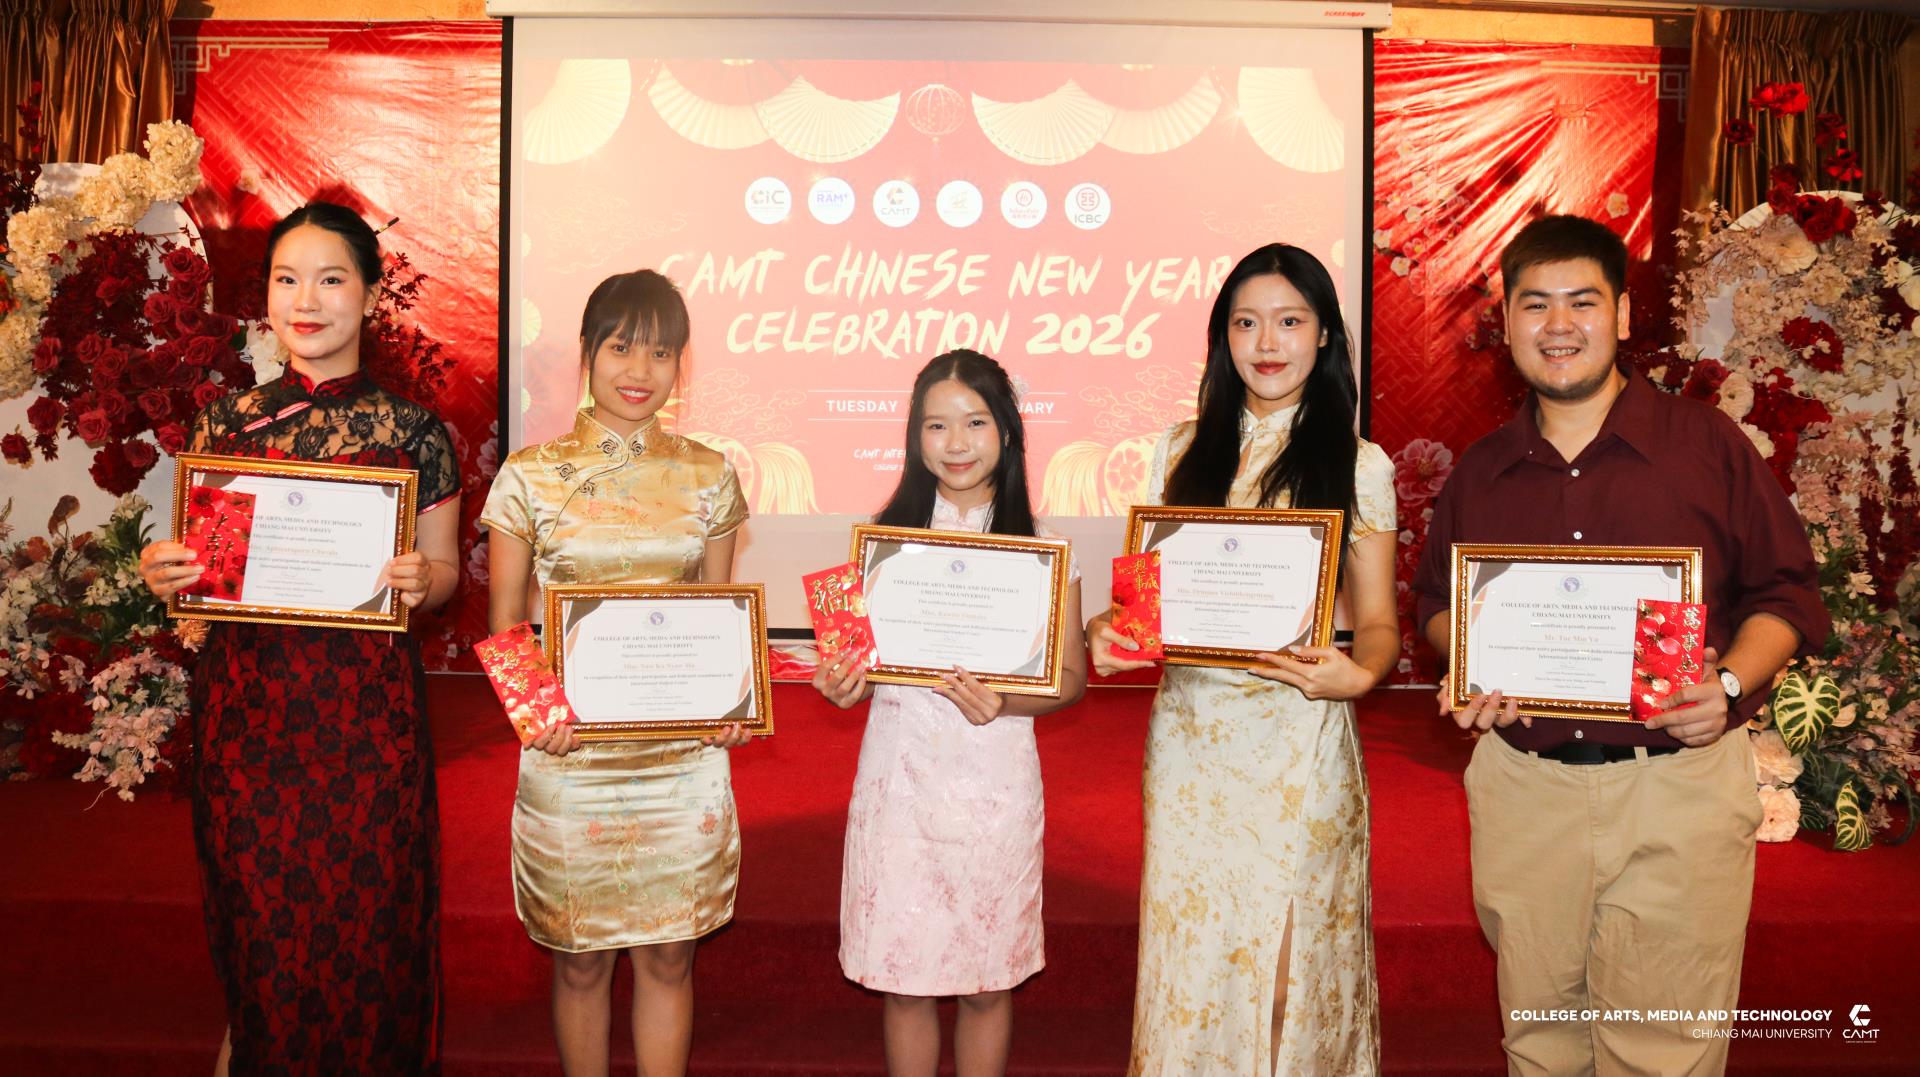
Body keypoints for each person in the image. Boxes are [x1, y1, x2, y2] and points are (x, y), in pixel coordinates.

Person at [1412, 214, 1829, 1075]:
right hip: (1525, 793)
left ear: (1624, 315)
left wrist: (1727, 684)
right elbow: (1434, 604)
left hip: (1675, 786)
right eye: (1535, 304)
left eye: (1582, 301)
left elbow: (1786, 591)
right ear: (1508, 320)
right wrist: (1471, 662)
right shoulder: (1481, 469)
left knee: (1664, 1052)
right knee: (1540, 1043)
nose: (1558, 325)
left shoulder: (1705, 444)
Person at [138, 201, 462, 1075]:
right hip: (250, 724)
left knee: (371, 935)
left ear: (370, 295)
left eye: (330, 279)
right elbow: (205, 576)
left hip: (368, 727)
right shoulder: (225, 424)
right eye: (288, 279)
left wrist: (424, 579)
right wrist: (167, 571)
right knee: (262, 940)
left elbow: (445, 575)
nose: (306, 301)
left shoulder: (414, 432)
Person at [1084, 243, 1396, 1074]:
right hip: (1193, 748)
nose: (1267, 342)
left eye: (1290, 321)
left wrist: (1361, 672)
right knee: (1195, 968)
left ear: (1324, 334)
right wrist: (1104, 632)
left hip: (1301, 741)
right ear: (1222, 337)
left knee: (1294, 982)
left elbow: (1379, 626)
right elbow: (1139, 608)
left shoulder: (1360, 464)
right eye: (1246, 322)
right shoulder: (1176, 451)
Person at [479, 269, 750, 1077]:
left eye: (661, 353)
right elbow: (505, 619)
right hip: (571, 759)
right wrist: (537, 713)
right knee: (581, 960)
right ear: (589, 353)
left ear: (680, 365)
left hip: (681, 764)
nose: (640, 370)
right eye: (623, 347)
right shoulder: (530, 474)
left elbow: (718, 611)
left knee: (670, 956)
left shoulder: (710, 473)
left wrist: (731, 703)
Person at [812, 349, 1088, 1077]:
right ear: (915, 436)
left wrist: (1004, 700)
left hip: (995, 786)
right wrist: (844, 684)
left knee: (987, 982)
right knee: (903, 981)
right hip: (899, 783)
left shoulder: (1042, 548)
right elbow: (853, 671)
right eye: (936, 425)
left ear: (1008, 430)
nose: (956, 443)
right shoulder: (876, 542)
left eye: (975, 422)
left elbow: (1070, 680)